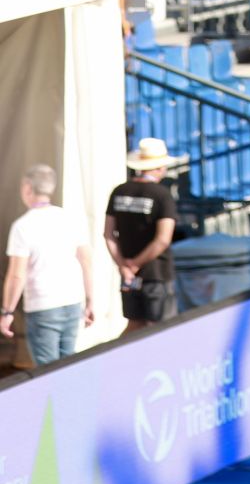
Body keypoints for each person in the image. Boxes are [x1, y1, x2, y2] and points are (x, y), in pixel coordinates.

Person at [1, 164, 94, 365]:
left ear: (27, 188)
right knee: (68, 364)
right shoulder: (70, 218)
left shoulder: (23, 226)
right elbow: (85, 260)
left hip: (43, 305)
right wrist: (90, 298)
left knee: (47, 370)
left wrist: (7, 311)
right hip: (72, 301)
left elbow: (17, 274)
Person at [105, 139, 179, 332]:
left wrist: (124, 265)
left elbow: (108, 234)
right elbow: (163, 239)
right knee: (160, 328)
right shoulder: (162, 195)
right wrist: (136, 264)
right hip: (156, 274)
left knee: (134, 325)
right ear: (159, 167)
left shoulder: (119, 191)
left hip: (128, 275)